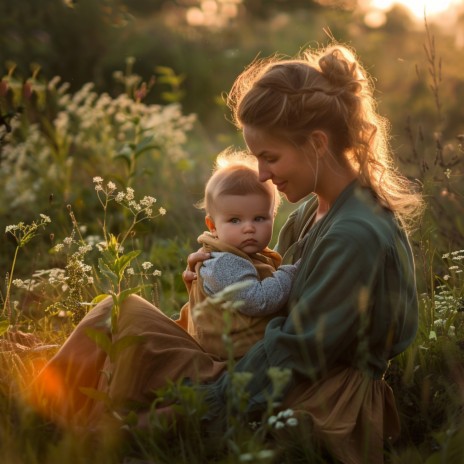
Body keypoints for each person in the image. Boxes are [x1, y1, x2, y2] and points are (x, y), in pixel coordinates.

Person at [30, 42, 423, 464]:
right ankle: (48, 411)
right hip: (264, 364)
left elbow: (297, 354)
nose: (263, 175)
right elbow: (272, 294)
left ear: (316, 143)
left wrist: (189, 409)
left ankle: (52, 425)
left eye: (270, 157)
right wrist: (213, 284)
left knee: (131, 354)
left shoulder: (354, 234)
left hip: (316, 400)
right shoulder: (315, 208)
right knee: (118, 310)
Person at [175, 150, 297, 359]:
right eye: (235, 221)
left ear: (273, 217)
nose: (248, 228)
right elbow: (259, 300)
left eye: (259, 218)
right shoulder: (224, 262)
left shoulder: (238, 253)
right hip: (233, 358)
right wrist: (292, 272)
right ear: (212, 226)